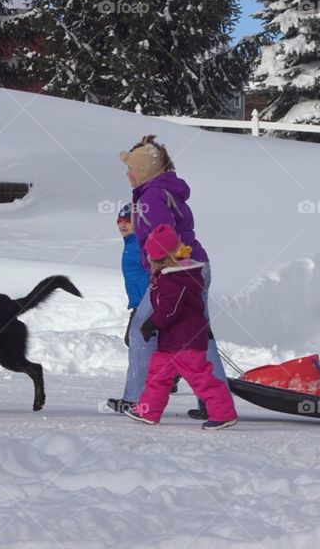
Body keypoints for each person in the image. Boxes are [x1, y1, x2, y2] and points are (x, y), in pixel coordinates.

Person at [107, 135, 229, 418]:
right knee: (199, 333)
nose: (127, 175)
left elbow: (163, 237)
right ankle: (214, 402)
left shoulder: (151, 196)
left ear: (144, 171)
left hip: (175, 268)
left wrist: (162, 272)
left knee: (142, 329)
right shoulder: (164, 190)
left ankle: (137, 399)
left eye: (131, 169)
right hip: (194, 265)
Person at [125, 224, 238, 430]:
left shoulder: (174, 279)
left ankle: (224, 413)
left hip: (185, 341)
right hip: (171, 341)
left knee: (202, 378)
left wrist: (152, 324)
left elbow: (170, 309)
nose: (149, 261)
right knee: (158, 375)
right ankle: (147, 411)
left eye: (151, 257)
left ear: (161, 258)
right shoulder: (169, 277)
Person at [106, 204, 177, 413]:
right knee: (145, 342)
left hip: (148, 301)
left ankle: (144, 392)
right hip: (139, 302)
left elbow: (155, 267)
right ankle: (169, 375)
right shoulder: (130, 243)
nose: (123, 225)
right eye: (120, 221)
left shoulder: (140, 244)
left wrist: (153, 295)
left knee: (136, 339)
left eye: (128, 221)